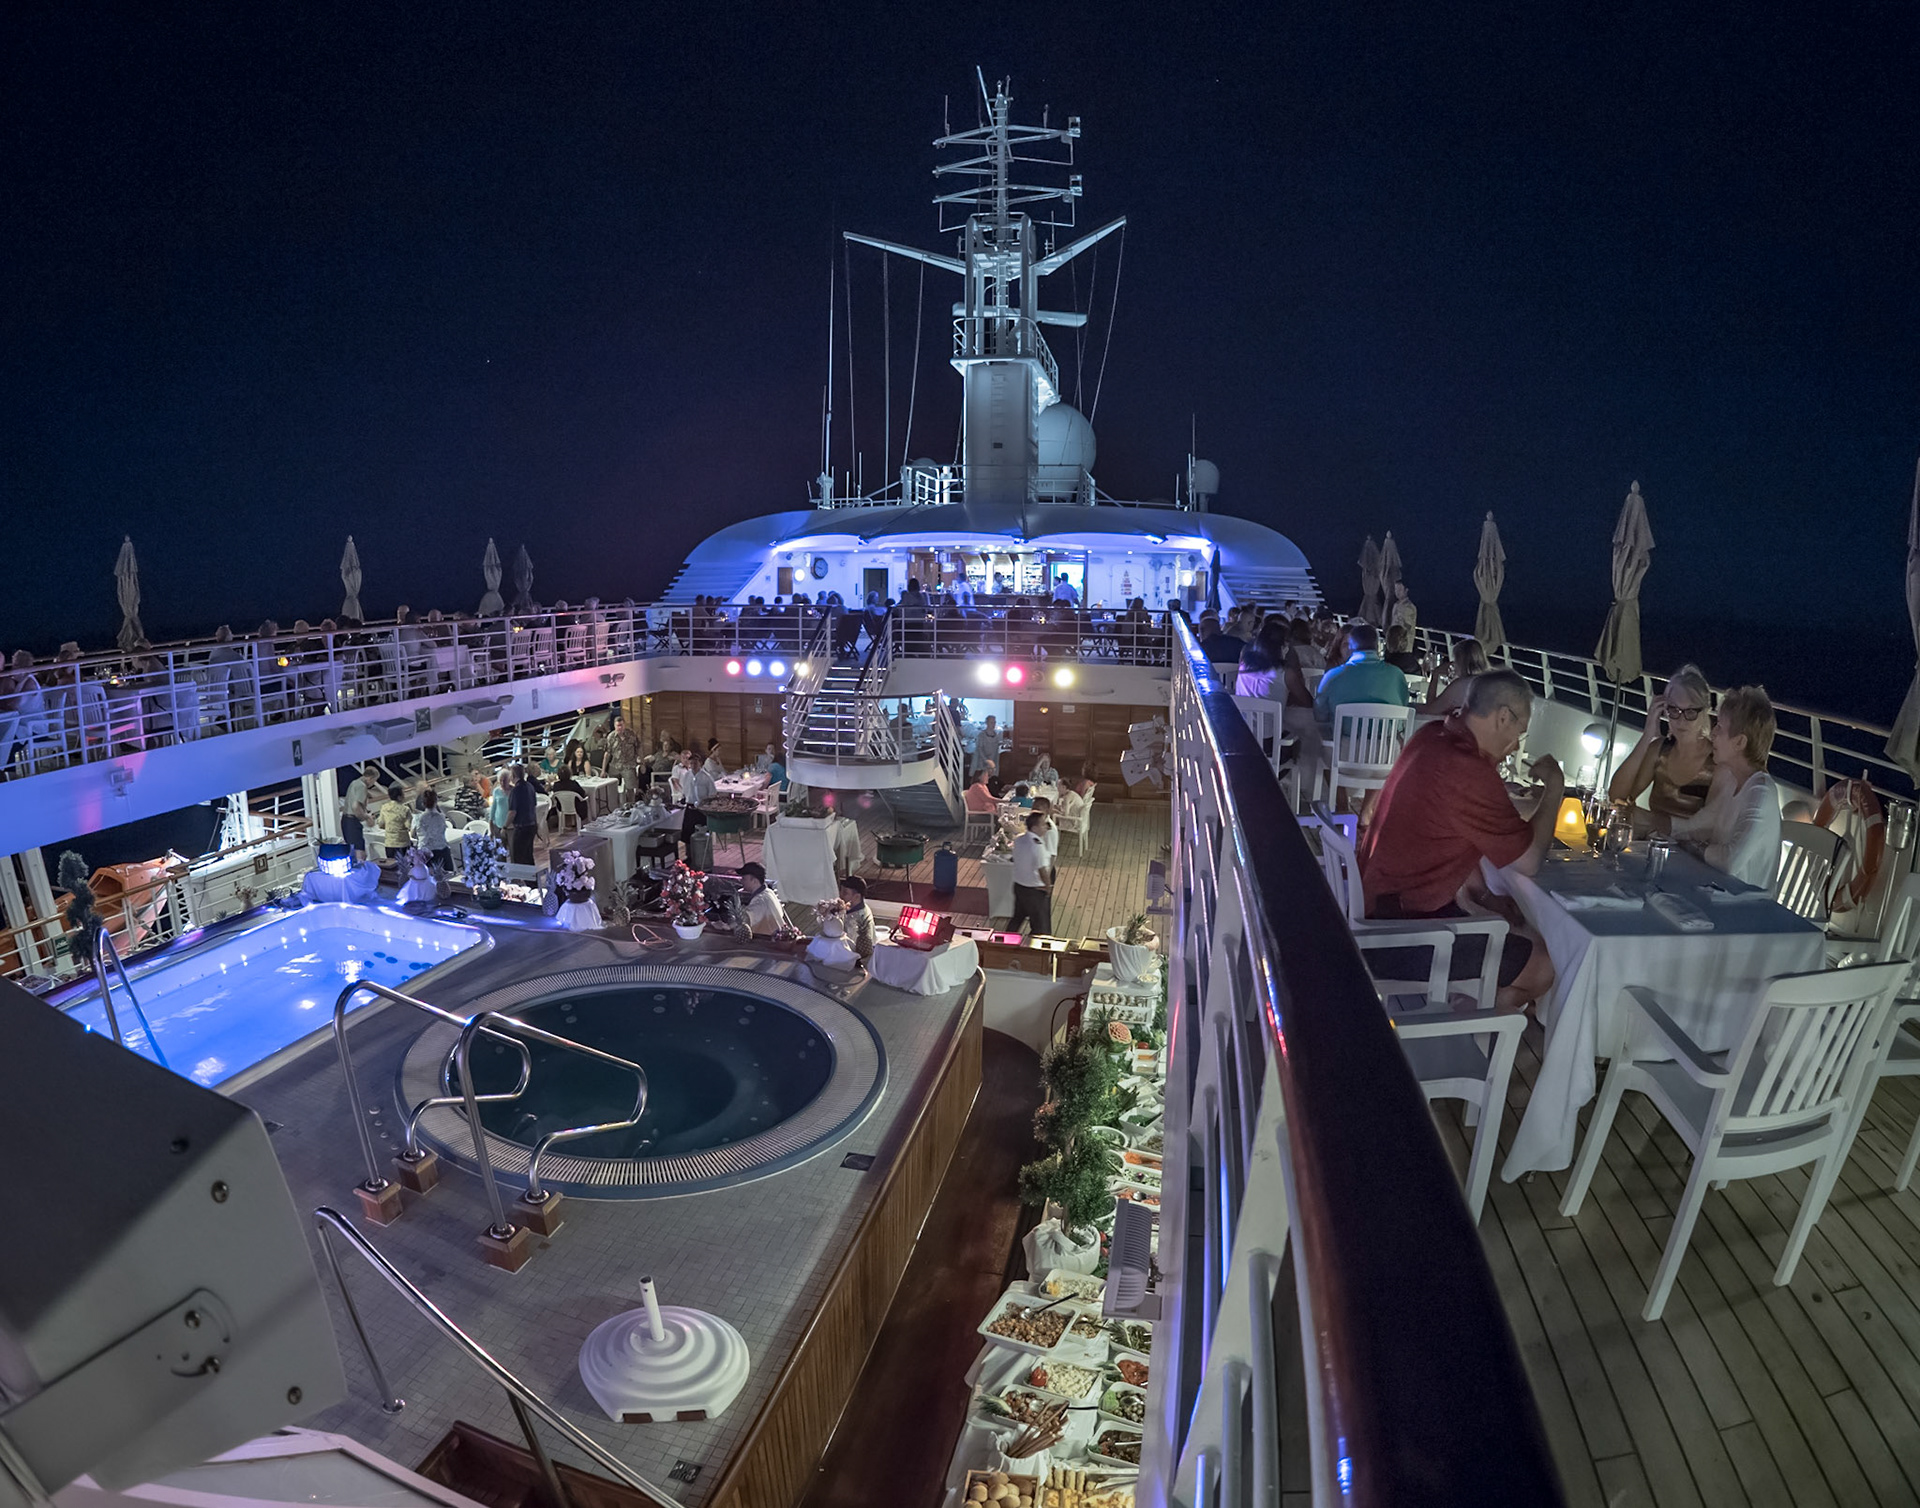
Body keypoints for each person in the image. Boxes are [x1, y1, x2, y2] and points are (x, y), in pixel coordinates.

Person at [1356, 670, 1560, 1011]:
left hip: (1376, 905)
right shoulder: (1466, 770)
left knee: (1514, 928)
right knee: (1541, 964)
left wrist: (1481, 895)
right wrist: (1555, 787)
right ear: (1503, 717)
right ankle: (1475, 1034)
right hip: (1394, 934)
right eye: (1518, 733)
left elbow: (1452, 825)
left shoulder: (1433, 734)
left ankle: (1470, 1009)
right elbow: (1529, 860)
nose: (1515, 747)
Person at [1671, 686, 1780, 888]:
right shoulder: (1733, 781)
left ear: (1739, 742)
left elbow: (1730, 861)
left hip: (1743, 908)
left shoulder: (1761, 792)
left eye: (1719, 727)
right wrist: (1645, 822)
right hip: (1718, 891)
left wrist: (1694, 846)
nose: (1712, 734)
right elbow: (1696, 825)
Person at [1608, 664, 1715, 829]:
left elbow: (1712, 827)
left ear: (1705, 711)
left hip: (1692, 851)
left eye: (1691, 712)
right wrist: (1647, 735)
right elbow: (1617, 796)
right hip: (1653, 844)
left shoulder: (1715, 761)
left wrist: (1650, 820)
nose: (1681, 720)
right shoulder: (1660, 751)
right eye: (1674, 710)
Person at [1313, 623, 1410, 735]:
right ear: (1377, 646)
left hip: (1344, 749)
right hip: (1387, 749)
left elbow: (1320, 716)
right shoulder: (1397, 675)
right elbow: (1404, 709)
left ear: (1350, 646)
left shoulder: (1332, 676)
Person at [1420, 639, 1490, 718]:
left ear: (1461, 661)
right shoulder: (1490, 682)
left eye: (1455, 659)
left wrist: (1435, 675)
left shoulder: (1460, 685)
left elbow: (1430, 710)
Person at [1010, 812, 1054, 937]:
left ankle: (1005, 944)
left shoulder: (1018, 840)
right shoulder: (1038, 846)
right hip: (1034, 891)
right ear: (1035, 828)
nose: (1046, 827)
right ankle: (1033, 951)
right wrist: (1048, 886)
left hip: (1019, 886)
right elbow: (1042, 870)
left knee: (1017, 918)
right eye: (1043, 824)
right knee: (1039, 926)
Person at [737, 861, 789, 936]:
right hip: (779, 936)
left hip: (768, 942)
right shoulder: (769, 892)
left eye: (744, 878)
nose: (741, 881)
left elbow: (745, 918)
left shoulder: (760, 901)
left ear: (754, 881)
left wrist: (726, 926)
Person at [342, 762, 380, 859]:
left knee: (352, 850)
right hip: (352, 822)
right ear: (370, 778)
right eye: (374, 781)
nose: (373, 783)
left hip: (345, 820)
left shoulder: (354, 783)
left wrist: (365, 810)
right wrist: (366, 817)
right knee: (360, 853)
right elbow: (355, 806)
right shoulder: (362, 786)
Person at [838, 876, 877, 965]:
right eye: (841, 891)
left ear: (856, 897)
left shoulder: (854, 921)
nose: (840, 895)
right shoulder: (864, 907)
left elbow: (850, 946)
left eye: (845, 893)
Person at [506, 762, 540, 865]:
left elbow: (512, 812)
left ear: (513, 776)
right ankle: (533, 880)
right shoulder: (530, 786)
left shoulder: (515, 790)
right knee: (529, 856)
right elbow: (534, 806)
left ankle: (524, 879)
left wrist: (505, 826)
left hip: (521, 827)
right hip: (531, 824)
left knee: (519, 856)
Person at [414, 787, 452, 872]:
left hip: (425, 851)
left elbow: (418, 834)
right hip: (441, 849)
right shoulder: (441, 816)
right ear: (436, 801)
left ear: (423, 803)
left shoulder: (419, 818)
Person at [377, 784, 414, 859]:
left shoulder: (384, 807)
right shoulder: (405, 809)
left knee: (392, 866)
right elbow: (408, 826)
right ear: (399, 797)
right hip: (402, 843)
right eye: (403, 794)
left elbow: (381, 824)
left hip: (389, 843)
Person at [1031, 795, 1061, 883]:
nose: (1033, 811)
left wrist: (1045, 879)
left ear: (1047, 811)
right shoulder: (1037, 824)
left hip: (1045, 871)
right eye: (1033, 808)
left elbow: (1052, 855)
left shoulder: (1050, 830)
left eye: (1037, 809)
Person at [973, 715, 1002, 779]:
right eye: (991, 722)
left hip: (993, 762)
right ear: (987, 723)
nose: (993, 724)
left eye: (994, 722)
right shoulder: (981, 735)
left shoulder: (996, 736)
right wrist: (986, 760)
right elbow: (979, 749)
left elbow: (996, 750)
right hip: (982, 763)